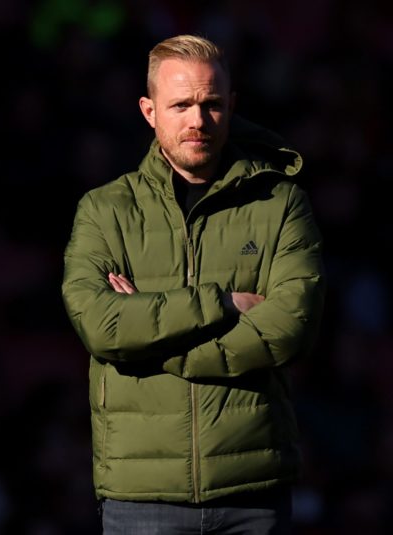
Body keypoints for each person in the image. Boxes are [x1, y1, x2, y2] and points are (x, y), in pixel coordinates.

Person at [60, 34, 326, 534]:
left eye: (212, 104)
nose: (198, 120)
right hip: (142, 498)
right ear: (149, 110)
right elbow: (101, 326)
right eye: (180, 104)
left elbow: (291, 326)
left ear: (232, 106)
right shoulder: (104, 210)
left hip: (255, 492)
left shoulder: (281, 204)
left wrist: (152, 344)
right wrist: (221, 303)